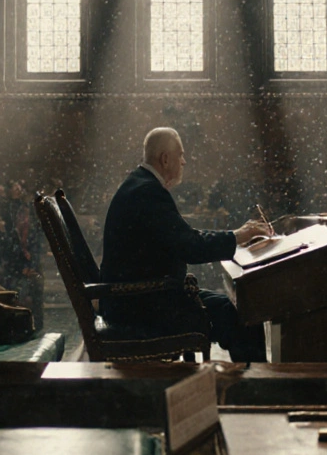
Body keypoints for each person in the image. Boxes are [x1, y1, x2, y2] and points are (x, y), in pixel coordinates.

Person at [101, 127, 271, 362]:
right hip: (143, 307)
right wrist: (237, 236)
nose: (184, 161)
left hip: (140, 299)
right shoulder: (147, 192)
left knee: (234, 309)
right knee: (243, 314)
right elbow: (190, 247)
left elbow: (184, 237)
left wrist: (235, 235)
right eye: (180, 155)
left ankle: (248, 388)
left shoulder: (140, 185)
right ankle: (255, 391)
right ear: (165, 159)